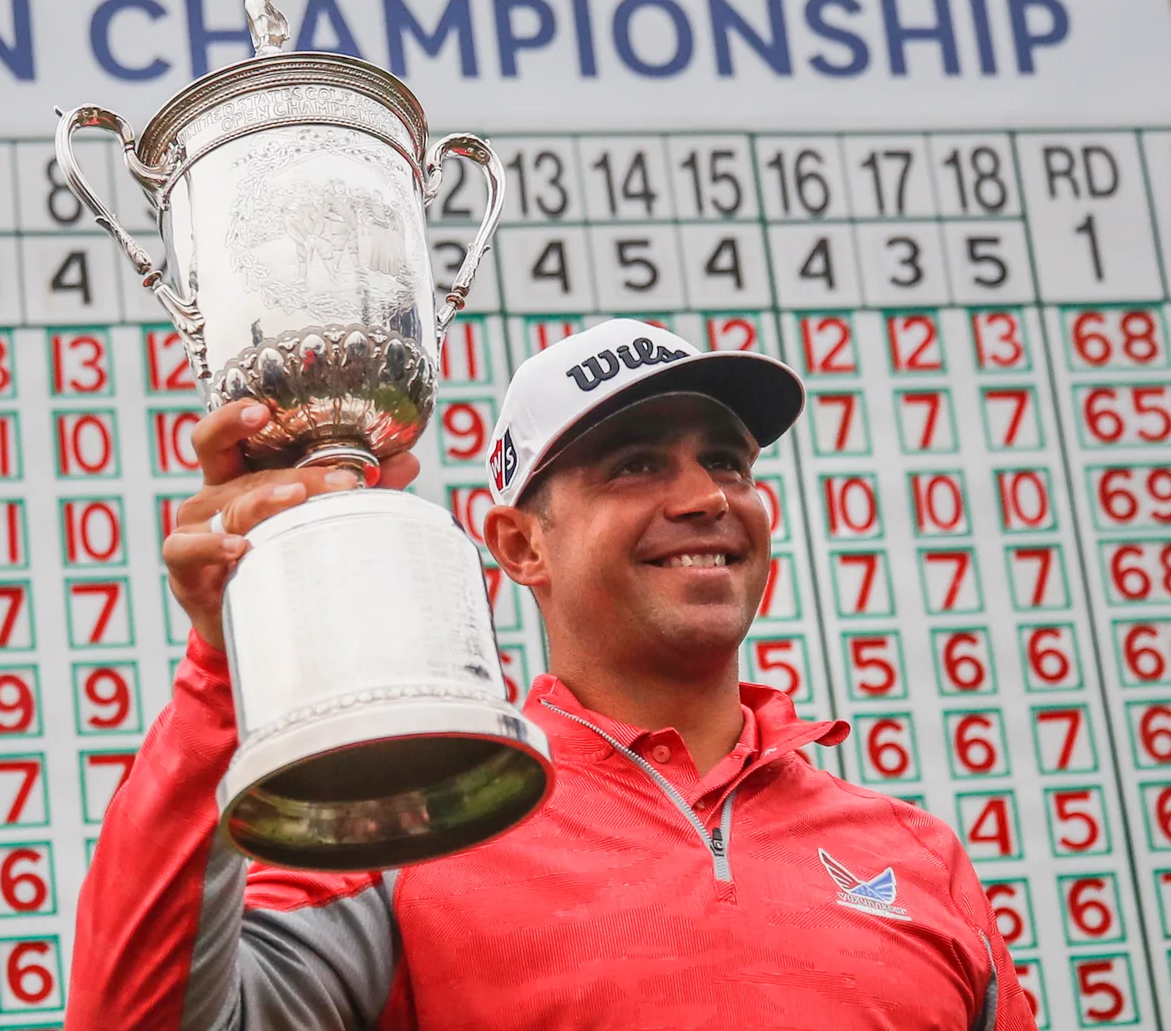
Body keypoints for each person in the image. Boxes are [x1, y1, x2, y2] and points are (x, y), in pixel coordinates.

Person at [67, 319, 1035, 1030]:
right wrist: (221, 671)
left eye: (729, 462)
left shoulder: (918, 856)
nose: (706, 497)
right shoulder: (410, 823)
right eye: (636, 464)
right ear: (519, 544)